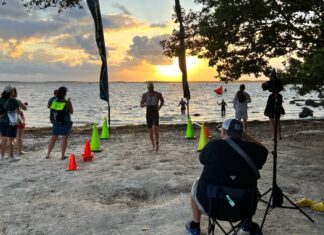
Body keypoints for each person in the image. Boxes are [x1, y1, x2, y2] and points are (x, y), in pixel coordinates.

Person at [185, 118, 268, 235]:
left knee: (196, 184)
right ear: (241, 134)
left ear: (223, 132)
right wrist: (245, 136)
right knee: (250, 187)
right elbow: (264, 150)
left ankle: (195, 225)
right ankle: (246, 225)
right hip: (243, 208)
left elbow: (202, 159)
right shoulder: (254, 150)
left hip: (212, 206)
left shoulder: (213, 147)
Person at [46, 86, 73, 160]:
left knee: (53, 138)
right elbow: (71, 112)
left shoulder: (53, 100)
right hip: (66, 121)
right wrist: (68, 103)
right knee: (64, 139)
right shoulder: (67, 101)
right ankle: (62, 156)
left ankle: (48, 154)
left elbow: (49, 107)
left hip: (56, 121)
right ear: (65, 94)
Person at [140, 82, 164, 151]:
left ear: (153, 87)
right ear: (147, 88)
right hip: (148, 113)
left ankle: (157, 144)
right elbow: (141, 105)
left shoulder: (158, 94)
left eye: (151, 88)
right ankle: (153, 145)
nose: (150, 89)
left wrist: (159, 107)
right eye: (149, 88)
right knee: (150, 131)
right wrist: (145, 104)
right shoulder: (144, 95)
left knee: (155, 128)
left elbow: (162, 101)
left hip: (155, 112)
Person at [0, 86, 21, 162]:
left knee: (3, 139)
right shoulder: (13, 100)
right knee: (10, 140)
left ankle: (2, 156)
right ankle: (11, 156)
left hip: (2, 121)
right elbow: (18, 111)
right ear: (11, 92)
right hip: (11, 121)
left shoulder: (0, 100)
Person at [12, 87, 28, 156]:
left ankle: (10, 152)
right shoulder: (17, 101)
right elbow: (25, 108)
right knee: (19, 136)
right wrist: (23, 105)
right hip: (18, 119)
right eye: (16, 92)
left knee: (10, 137)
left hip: (8, 120)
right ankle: (19, 151)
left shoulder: (4, 101)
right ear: (14, 93)